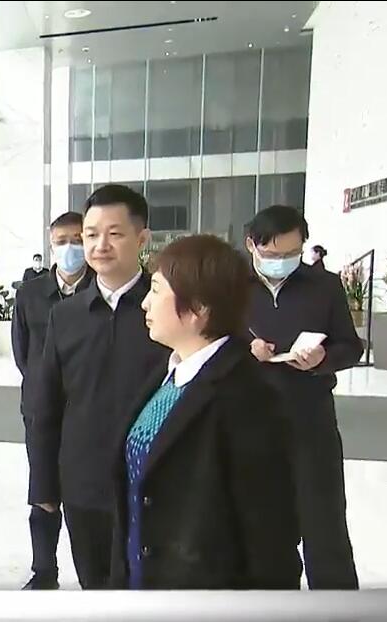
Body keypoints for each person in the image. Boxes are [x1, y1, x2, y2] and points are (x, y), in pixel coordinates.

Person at [109, 234, 302, 590]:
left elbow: (269, 529)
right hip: (143, 582)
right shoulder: (168, 373)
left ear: (198, 308)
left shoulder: (246, 395)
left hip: (204, 598)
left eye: (156, 290)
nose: (145, 303)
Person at [23, 184, 169, 590]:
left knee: (150, 600)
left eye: (114, 233)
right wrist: (44, 485)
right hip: (84, 484)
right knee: (96, 592)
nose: (99, 245)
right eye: (91, 234)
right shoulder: (65, 316)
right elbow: (46, 406)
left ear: (142, 238)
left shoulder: (168, 310)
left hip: (154, 486)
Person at [245, 205, 363, 590]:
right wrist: (246, 349)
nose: (282, 262)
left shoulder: (323, 286)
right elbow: (210, 342)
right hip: (251, 422)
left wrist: (322, 358)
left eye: (292, 253)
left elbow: (351, 346)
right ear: (251, 245)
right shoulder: (231, 287)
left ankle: (339, 613)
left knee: (324, 525)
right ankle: (277, 609)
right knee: (264, 527)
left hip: (311, 419)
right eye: (272, 254)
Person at [11, 211, 93, 590]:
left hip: (90, 406)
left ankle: (96, 576)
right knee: (43, 490)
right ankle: (44, 571)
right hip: (41, 408)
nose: (70, 248)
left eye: (77, 239)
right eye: (61, 241)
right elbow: (22, 351)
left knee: (87, 493)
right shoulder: (30, 293)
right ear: (50, 244)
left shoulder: (99, 290)